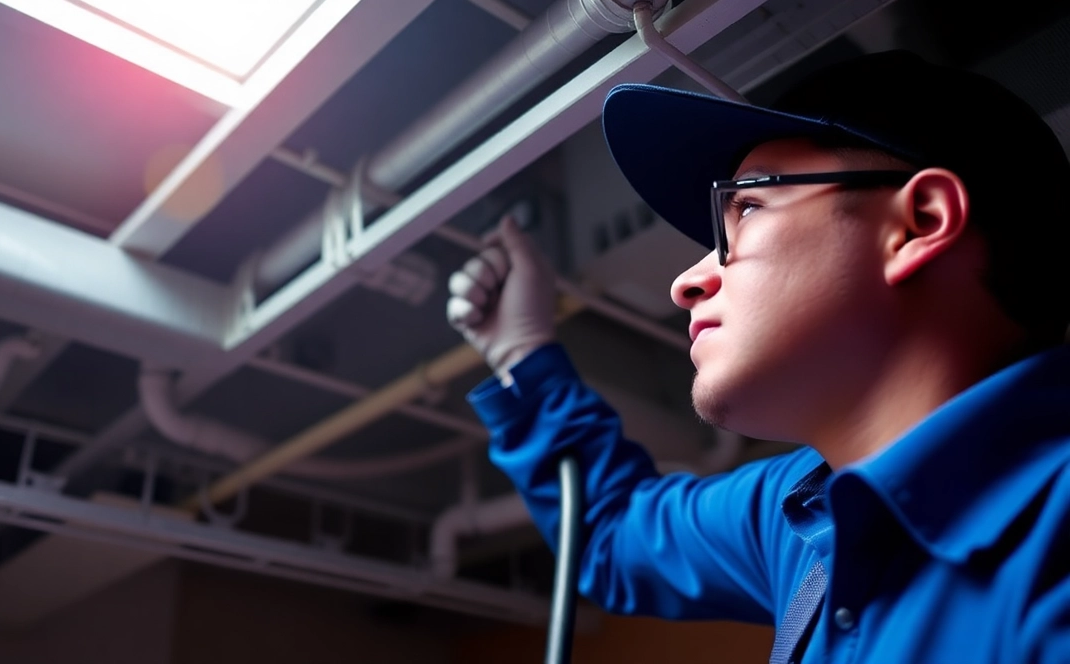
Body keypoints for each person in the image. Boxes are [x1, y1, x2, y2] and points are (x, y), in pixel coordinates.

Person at [446, 51, 1070, 663]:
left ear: (918, 223)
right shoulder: (805, 513)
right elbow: (611, 534)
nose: (684, 283)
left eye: (747, 207)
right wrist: (523, 352)